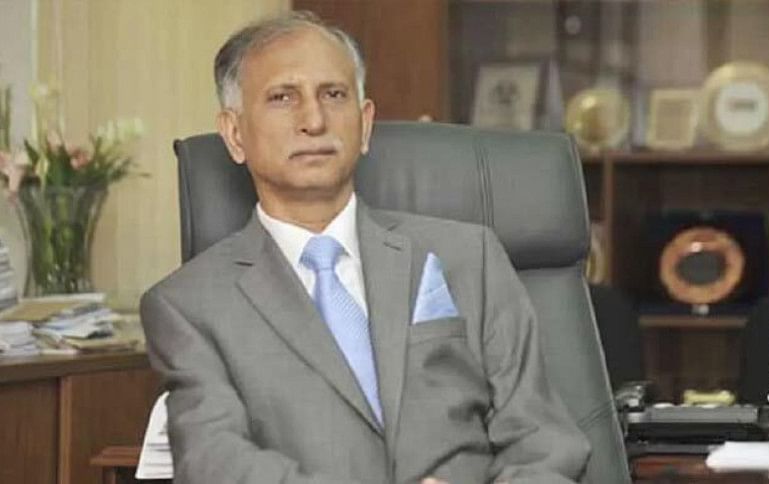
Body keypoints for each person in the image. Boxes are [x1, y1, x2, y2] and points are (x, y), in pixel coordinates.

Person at [141, 11, 589, 484]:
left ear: (366, 123)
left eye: (334, 95)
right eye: (282, 97)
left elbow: (544, 442)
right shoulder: (189, 306)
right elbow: (216, 461)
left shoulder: (469, 255)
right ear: (235, 134)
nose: (314, 120)